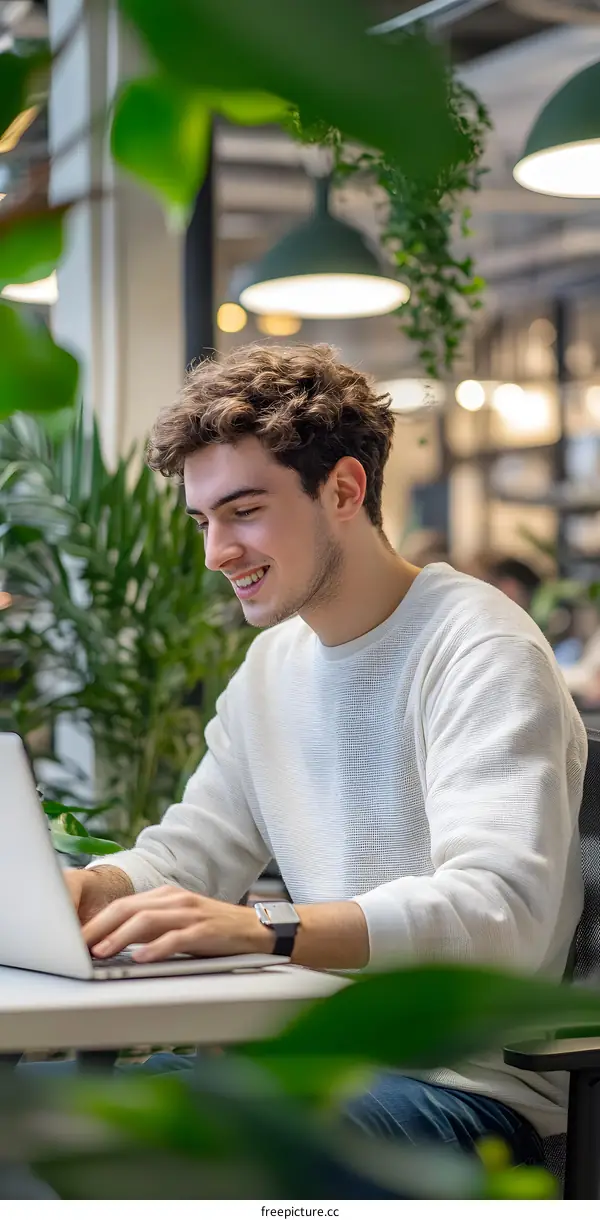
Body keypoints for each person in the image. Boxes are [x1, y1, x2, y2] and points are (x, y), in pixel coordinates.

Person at [63, 343, 587, 1165]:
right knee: (71, 1121)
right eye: (204, 521)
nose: (216, 553)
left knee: (164, 1150)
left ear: (344, 489)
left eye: (243, 511)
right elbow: (192, 851)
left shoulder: (477, 645)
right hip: (315, 1064)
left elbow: (497, 916)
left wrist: (264, 927)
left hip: (463, 1096)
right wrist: (94, 887)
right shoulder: (272, 668)